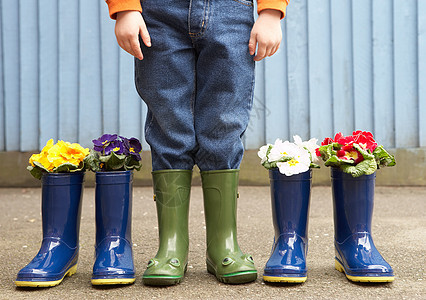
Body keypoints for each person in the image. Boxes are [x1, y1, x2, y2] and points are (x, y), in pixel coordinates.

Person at [105, 0, 289, 286]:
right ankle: (171, 247)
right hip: (158, 13)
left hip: (230, 11)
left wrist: (271, 11)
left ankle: (223, 245)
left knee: (224, 123)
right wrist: (125, 7)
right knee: (168, 123)